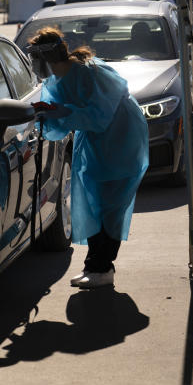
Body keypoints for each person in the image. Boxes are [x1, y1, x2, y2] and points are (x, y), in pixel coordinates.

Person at [27, 26, 149, 289]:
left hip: (121, 138)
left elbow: (100, 115)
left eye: (35, 60)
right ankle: (94, 265)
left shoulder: (88, 71)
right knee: (92, 202)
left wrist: (60, 111)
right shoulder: (56, 80)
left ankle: (103, 267)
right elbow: (59, 124)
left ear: (46, 58)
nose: (34, 66)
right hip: (96, 142)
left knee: (111, 205)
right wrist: (47, 113)